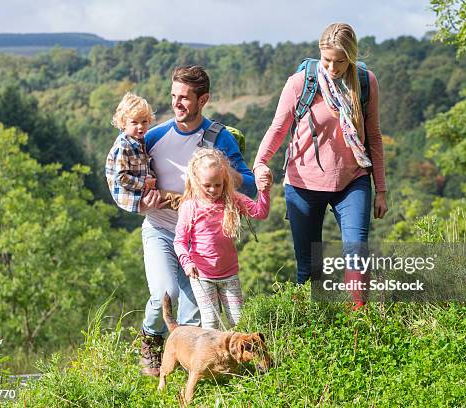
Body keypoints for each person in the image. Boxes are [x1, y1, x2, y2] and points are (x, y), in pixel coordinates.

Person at [253, 23, 388, 305]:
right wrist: (260, 163)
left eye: (340, 61)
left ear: (351, 57)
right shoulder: (301, 83)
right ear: (319, 54)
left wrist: (382, 190)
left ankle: (359, 324)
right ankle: (310, 330)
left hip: (352, 180)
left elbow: (374, 136)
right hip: (303, 183)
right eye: (327, 60)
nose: (333, 67)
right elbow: (278, 128)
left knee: (357, 254)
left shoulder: (365, 82)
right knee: (309, 267)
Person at [137, 65, 257, 376]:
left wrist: (216, 174)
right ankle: (150, 339)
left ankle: (188, 375)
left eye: (185, 98)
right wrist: (139, 200)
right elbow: (125, 176)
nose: (177, 104)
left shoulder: (218, 138)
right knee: (164, 292)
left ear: (203, 99)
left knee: (195, 318)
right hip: (162, 229)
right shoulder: (154, 136)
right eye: (173, 96)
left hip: (199, 240)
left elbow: (250, 182)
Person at [174, 148, 270, 329]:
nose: (213, 190)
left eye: (217, 185)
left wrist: (264, 191)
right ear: (196, 181)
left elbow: (260, 212)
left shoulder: (232, 200)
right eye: (207, 185)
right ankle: (213, 357)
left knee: (238, 322)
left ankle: (238, 356)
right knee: (211, 322)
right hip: (202, 275)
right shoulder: (190, 206)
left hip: (229, 273)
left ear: (224, 180)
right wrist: (187, 263)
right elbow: (179, 241)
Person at [105, 92, 157, 213]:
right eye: (134, 122)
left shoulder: (139, 140)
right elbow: (121, 177)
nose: (140, 127)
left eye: (144, 121)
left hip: (140, 189)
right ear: (123, 124)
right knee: (168, 199)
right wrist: (145, 183)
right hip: (131, 197)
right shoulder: (123, 146)